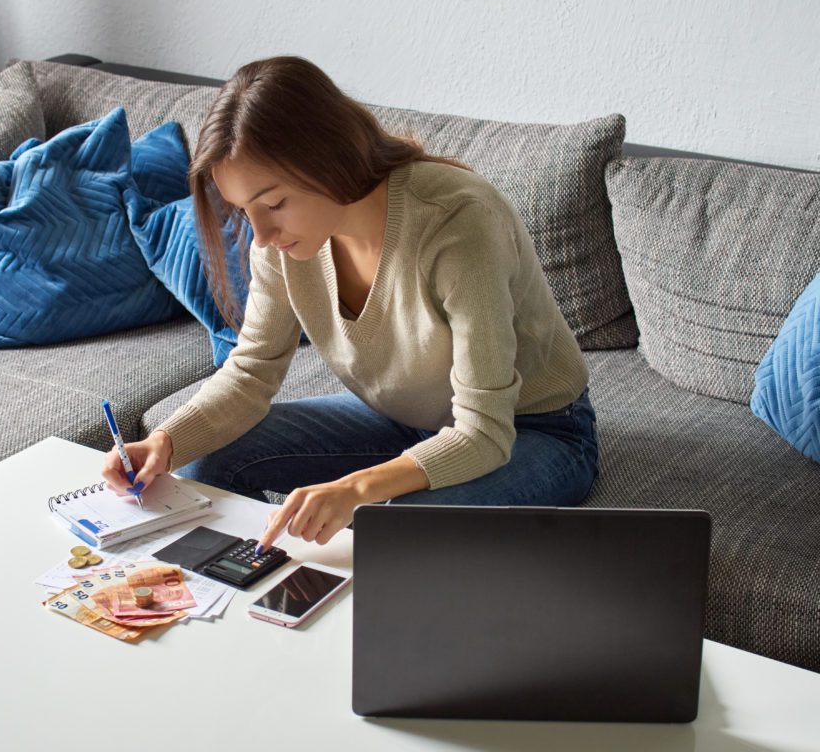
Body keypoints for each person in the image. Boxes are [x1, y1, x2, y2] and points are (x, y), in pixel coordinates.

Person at [102, 55, 599, 552]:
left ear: (328, 157)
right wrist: (164, 442)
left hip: (528, 428)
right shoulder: (279, 244)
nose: (262, 234)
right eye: (244, 210)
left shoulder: (457, 222)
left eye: (274, 203)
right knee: (204, 463)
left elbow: (484, 432)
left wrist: (356, 489)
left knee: (392, 532)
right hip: (406, 420)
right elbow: (252, 371)